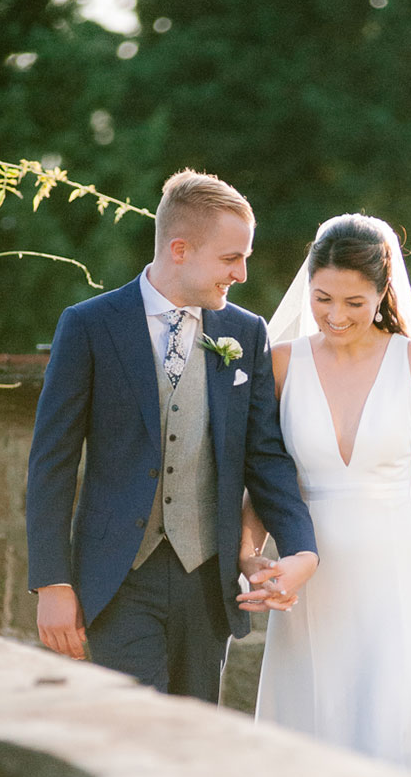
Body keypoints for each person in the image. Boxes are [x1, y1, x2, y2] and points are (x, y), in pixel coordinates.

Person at [25, 168, 318, 700]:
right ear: (180, 249)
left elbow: (266, 457)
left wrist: (302, 548)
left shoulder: (243, 332)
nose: (243, 274)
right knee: (133, 733)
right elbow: (53, 461)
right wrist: (52, 581)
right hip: (118, 580)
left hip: (206, 583)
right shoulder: (89, 325)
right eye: (232, 258)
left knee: (195, 737)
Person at [240, 213, 411, 777]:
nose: (336, 316)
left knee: (393, 729)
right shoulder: (282, 362)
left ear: (382, 292)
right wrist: (250, 557)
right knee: (308, 729)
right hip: (310, 578)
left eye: (354, 302)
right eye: (323, 298)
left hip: (395, 573)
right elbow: (265, 478)